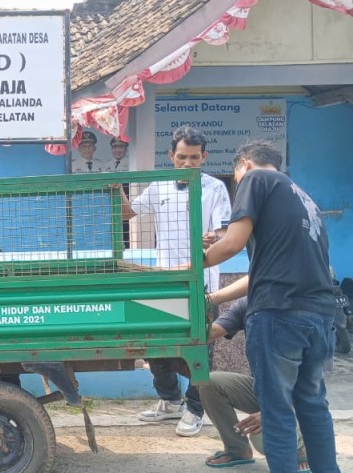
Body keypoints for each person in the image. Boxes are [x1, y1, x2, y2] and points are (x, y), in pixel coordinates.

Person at [204, 140, 340, 473]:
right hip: (320, 317)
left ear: (244, 164)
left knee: (276, 410)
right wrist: (215, 291)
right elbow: (264, 267)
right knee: (313, 406)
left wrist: (195, 263)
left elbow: (233, 244)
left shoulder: (255, 179)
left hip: (279, 314)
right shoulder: (303, 198)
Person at [118, 126, 232, 437]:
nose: (187, 163)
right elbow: (128, 213)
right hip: (166, 282)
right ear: (171, 156)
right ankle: (170, 401)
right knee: (155, 345)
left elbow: (224, 233)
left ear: (204, 157)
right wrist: (116, 187)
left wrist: (213, 238)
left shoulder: (214, 189)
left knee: (200, 348)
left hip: (202, 284)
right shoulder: (159, 186)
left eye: (194, 157)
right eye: (182, 157)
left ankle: (196, 409)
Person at [200, 295, 311, 472]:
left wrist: (270, 411)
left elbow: (308, 380)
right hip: (264, 388)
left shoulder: (299, 306)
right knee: (210, 383)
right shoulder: (248, 304)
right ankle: (237, 449)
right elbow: (211, 332)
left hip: (295, 393)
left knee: (263, 439)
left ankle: (300, 449)